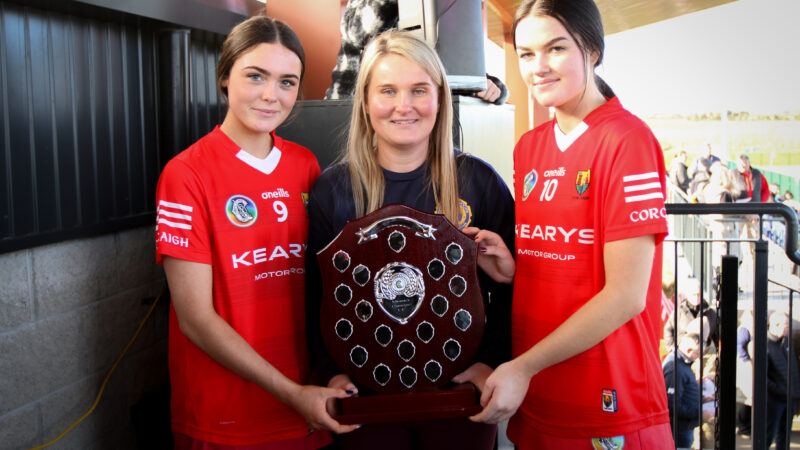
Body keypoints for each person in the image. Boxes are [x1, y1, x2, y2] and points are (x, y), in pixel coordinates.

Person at [464, 0, 672, 448]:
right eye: (525, 54)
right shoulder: (530, 147)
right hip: (538, 397)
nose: (538, 67)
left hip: (607, 404)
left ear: (592, 50)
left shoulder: (627, 141)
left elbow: (625, 296)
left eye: (555, 48)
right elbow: (568, 266)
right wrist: (516, 271)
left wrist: (521, 367)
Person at [154, 15, 358, 448]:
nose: (271, 95)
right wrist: (289, 392)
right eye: (255, 76)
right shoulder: (185, 174)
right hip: (227, 416)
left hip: (309, 405)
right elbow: (195, 319)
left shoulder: (306, 165)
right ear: (225, 76)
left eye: (287, 82)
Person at [306, 30, 515, 450]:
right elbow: (315, 295)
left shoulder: (480, 182)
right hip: (365, 405)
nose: (404, 106)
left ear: (439, 98)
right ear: (365, 103)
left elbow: (511, 289)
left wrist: (489, 363)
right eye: (388, 90)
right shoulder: (333, 190)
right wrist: (330, 372)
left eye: (419, 90)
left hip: (459, 401)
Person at [324, 0, 508, 105]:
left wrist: (493, 88)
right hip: (346, 107)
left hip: (403, 111)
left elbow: (445, 63)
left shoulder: (438, 10)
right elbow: (358, 30)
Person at [765, 311, 800, 449]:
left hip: (789, 397)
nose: (787, 328)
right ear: (775, 325)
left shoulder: (786, 342)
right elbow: (762, 378)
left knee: (784, 436)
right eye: (785, 325)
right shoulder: (765, 346)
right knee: (768, 434)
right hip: (774, 399)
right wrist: (779, 390)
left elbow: (793, 368)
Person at [663, 333, 702, 449]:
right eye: (698, 353)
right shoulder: (675, 368)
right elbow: (671, 403)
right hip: (680, 428)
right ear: (689, 350)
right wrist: (697, 412)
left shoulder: (682, 364)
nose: (699, 356)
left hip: (685, 425)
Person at [663, 278, 718, 354]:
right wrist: (672, 349)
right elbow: (668, 330)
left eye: (698, 294)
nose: (696, 297)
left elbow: (716, 332)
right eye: (694, 294)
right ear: (687, 294)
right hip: (683, 353)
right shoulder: (679, 311)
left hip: (704, 355)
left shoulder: (709, 312)